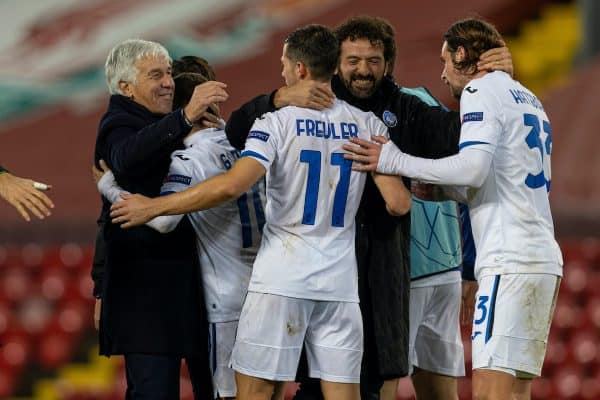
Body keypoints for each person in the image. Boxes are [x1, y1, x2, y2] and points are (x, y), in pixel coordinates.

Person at [108, 24, 412, 400]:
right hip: (339, 285)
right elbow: (399, 203)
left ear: (300, 70)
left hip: (281, 281)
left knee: (252, 393)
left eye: (285, 64)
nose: (282, 71)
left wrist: (153, 205)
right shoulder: (367, 124)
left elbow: (233, 184)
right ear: (334, 67)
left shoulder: (275, 123)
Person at [224, 16, 513, 400]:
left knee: (369, 384)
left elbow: (465, 136)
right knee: (307, 385)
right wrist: (278, 96)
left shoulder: (405, 110)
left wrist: (495, 84)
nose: (363, 70)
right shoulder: (306, 102)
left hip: (377, 276)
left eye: (373, 60)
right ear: (336, 62)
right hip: (324, 275)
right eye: (353, 60)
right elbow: (237, 130)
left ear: (388, 64)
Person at [345, 18, 562, 400]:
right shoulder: (529, 98)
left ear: (462, 55)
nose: (443, 76)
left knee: (490, 390)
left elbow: (473, 167)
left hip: (507, 260)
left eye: (446, 61)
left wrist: (395, 160)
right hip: (543, 259)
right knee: (517, 392)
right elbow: (497, 179)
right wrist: (447, 190)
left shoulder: (479, 89)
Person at [95, 56, 266, 400]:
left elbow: (162, 220)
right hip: (265, 289)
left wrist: (108, 187)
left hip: (225, 299)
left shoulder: (187, 161)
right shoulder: (250, 146)